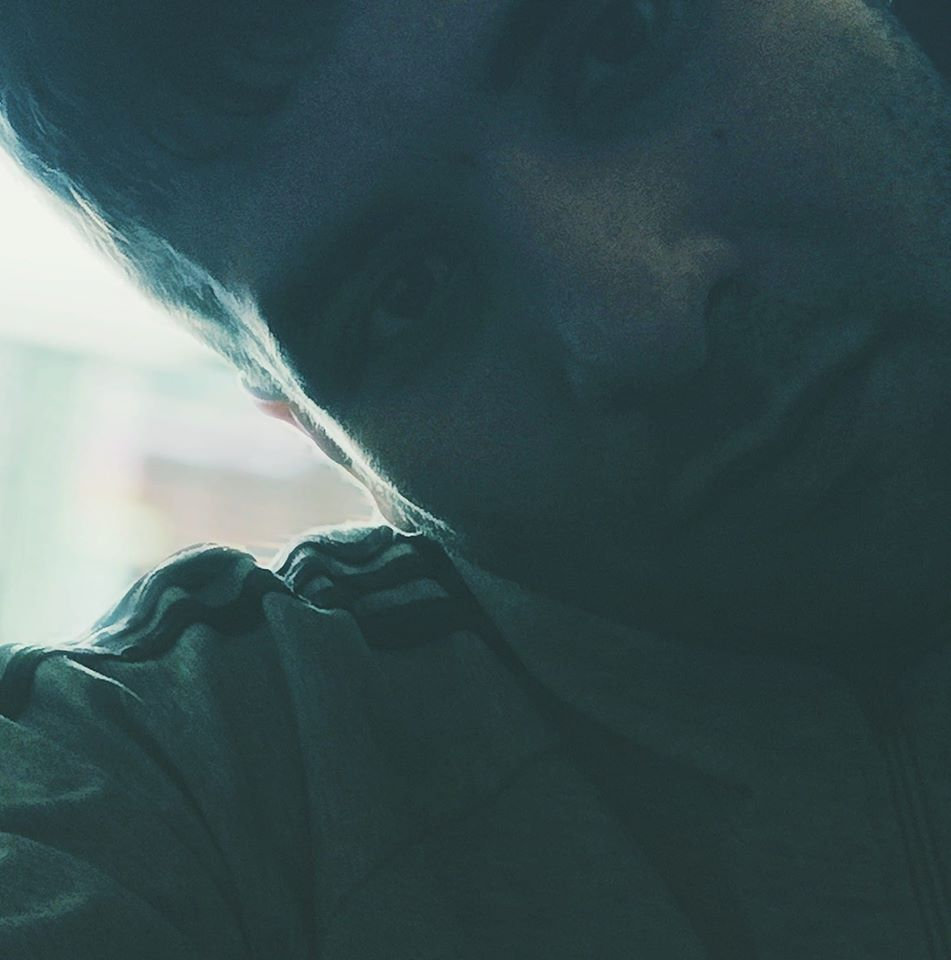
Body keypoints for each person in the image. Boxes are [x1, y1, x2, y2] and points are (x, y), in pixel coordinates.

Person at [1, 0, 949, 955]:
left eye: (615, 46)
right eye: (404, 297)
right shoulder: (200, 790)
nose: (641, 320)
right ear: (315, 429)